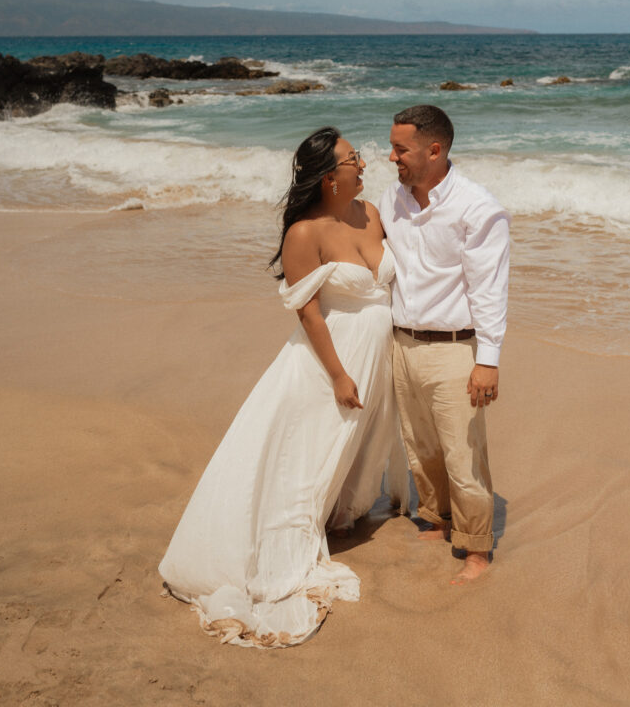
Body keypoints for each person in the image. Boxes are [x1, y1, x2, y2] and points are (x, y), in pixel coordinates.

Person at [159, 126, 408, 648]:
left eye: (360, 155)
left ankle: (341, 513)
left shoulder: (371, 214)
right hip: (328, 360)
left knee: (348, 444)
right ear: (327, 176)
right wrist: (339, 373)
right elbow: (309, 314)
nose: (363, 163)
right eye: (352, 158)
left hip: (375, 352)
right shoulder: (304, 232)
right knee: (307, 449)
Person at [379, 105, 509, 583]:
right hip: (401, 342)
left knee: (463, 454)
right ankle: (436, 517)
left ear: (434, 150)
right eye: (392, 147)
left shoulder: (477, 208)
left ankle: (477, 547)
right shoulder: (392, 197)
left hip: (455, 348)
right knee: (420, 443)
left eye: (400, 148)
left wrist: (488, 361)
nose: (391, 157)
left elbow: (489, 289)